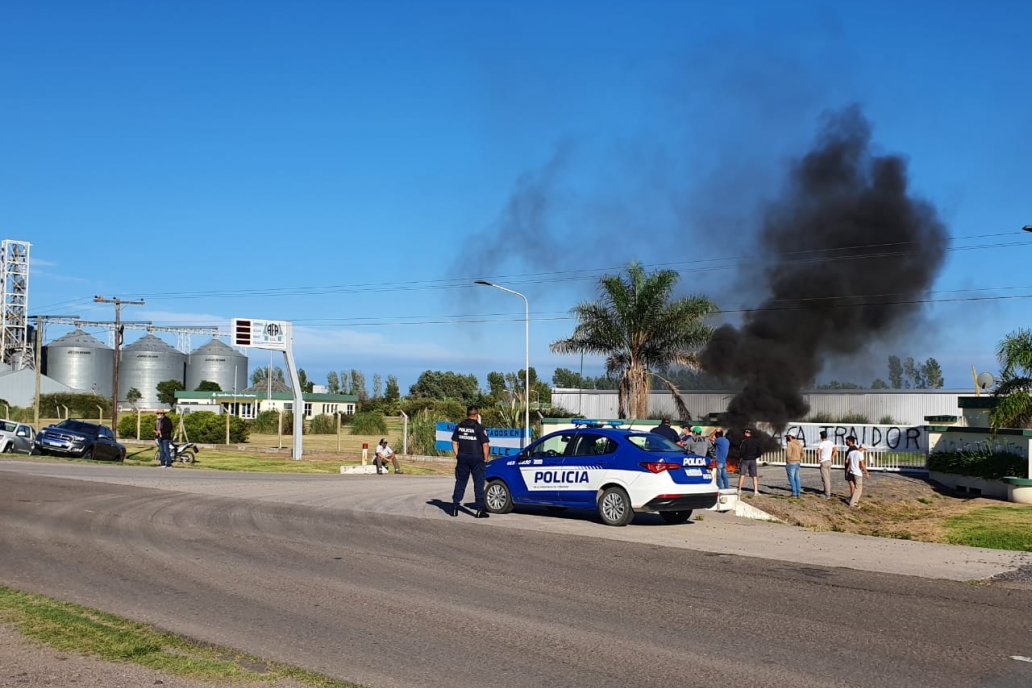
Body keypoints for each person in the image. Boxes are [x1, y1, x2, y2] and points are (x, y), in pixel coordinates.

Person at [451, 405, 491, 518]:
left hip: (463, 457)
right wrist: (486, 458)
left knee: (460, 482)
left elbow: (454, 442)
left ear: (467, 414)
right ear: (476, 415)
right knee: (478, 483)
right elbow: (486, 445)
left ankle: (454, 507)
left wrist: (458, 455)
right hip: (477, 458)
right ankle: (479, 510)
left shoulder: (459, 426)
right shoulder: (479, 428)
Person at [844, 436, 871, 507]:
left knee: (853, 486)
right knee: (858, 489)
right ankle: (853, 503)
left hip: (851, 471)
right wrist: (866, 473)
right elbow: (862, 464)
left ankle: (852, 500)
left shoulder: (851, 452)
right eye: (864, 450)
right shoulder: (860, 454)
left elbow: (847, 462)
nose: (864, 451)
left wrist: (848, 470)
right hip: (857, 473)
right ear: (862, 448)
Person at [737, 428, 761, 496]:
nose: (745, 433)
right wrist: (755, 456)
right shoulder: (756, 441)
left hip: (745, 460)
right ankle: (756, 491)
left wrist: (742, 457)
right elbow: (760, 451)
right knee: (754, 476)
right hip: (753, 460)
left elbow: (741, 451)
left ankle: (739, 490)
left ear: (747, 433)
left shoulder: (744, 441)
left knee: (742, 475)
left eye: (746, 432)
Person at [817, 430, 838, 499]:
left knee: (825, 478)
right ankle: (826, 490)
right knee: (827, 477)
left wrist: (818, 459)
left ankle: (827, 494)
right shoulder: (831, 443)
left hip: (824, 461)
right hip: (829, 461)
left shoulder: (822, 443)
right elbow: (835, 451)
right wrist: (832, 457)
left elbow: (818, 451)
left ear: (821, 436)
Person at [784, 432, 803, 497]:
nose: (786, 438)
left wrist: (787, 462)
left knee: (791, 478)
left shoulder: (790, 444)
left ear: (790, 436)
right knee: (797, 478)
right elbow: (802, 453)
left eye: (787, 436)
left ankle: (794, 493)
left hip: (791, 462)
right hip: (797, 462)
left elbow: (788, 455)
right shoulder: (799, 443)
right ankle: (798, 493)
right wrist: (799, 459)